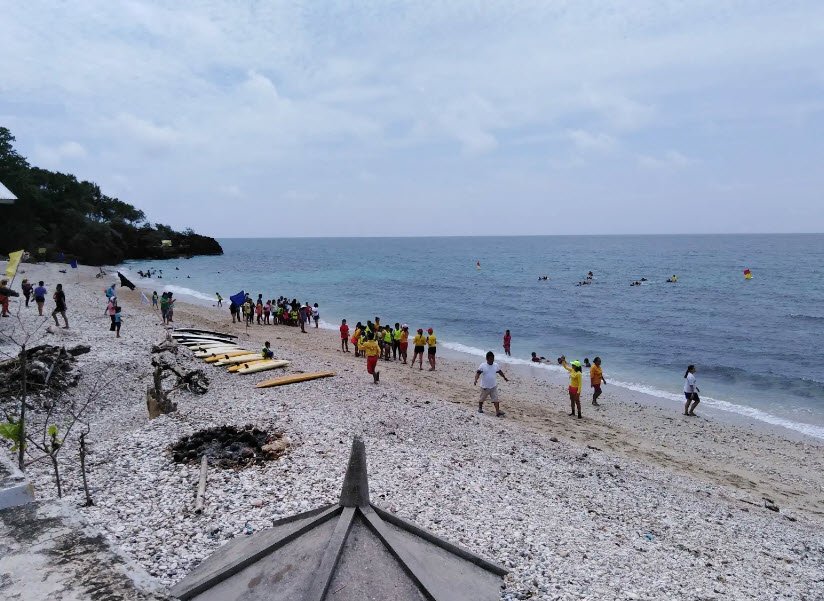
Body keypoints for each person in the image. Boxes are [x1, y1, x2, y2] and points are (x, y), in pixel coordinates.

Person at [474, 351, 509, 417]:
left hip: (493, 386)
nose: (492, 360)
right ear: (487, 359)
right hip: (485, 386)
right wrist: (476, 380)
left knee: (496, 399)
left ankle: (497, 412)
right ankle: (480, 408)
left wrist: (504, 377)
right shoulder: (483, 365)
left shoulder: (495, 365)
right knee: (482, 398)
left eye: (493, 358)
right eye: (490, 359)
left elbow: (500, 372)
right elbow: (478, 373)